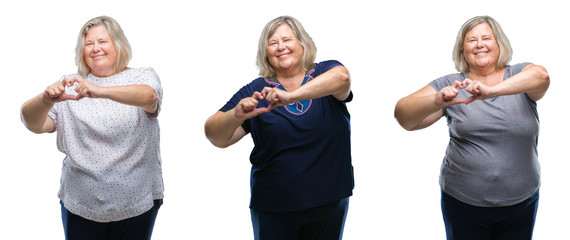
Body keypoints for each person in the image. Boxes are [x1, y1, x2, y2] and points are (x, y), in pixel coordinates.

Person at [394, 15, 549, 240]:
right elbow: (403, 115)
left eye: (486, 38)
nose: (479, 45)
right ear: (462, 50)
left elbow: (542, 77)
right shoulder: (451, 85)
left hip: (520, 202)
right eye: (471, 40)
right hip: (462, 203)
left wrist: (491, 90)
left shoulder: (518, 75)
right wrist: (436, 100)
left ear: (500, 44)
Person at [205, 16, 353, 240]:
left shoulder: (325, 72)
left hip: (329, 201)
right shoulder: (257, 90)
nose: (281, 47)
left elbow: (342, 79)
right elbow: (215, 136)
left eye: (287, 39)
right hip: (275, 207)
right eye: (273, 43)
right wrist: (236, 115)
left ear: (302, 43)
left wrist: (291, 96)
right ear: (265, 53)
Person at [20, 16, 164, 240]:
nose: (96, 48)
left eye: (103, 41)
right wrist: (45, 99)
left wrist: (99, 90)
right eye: (89, 44)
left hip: (136, 202)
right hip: (80, 204)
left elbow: (149, 97)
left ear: (118, 44)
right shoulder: (69, 84)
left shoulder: (142, 76)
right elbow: (33, 123)